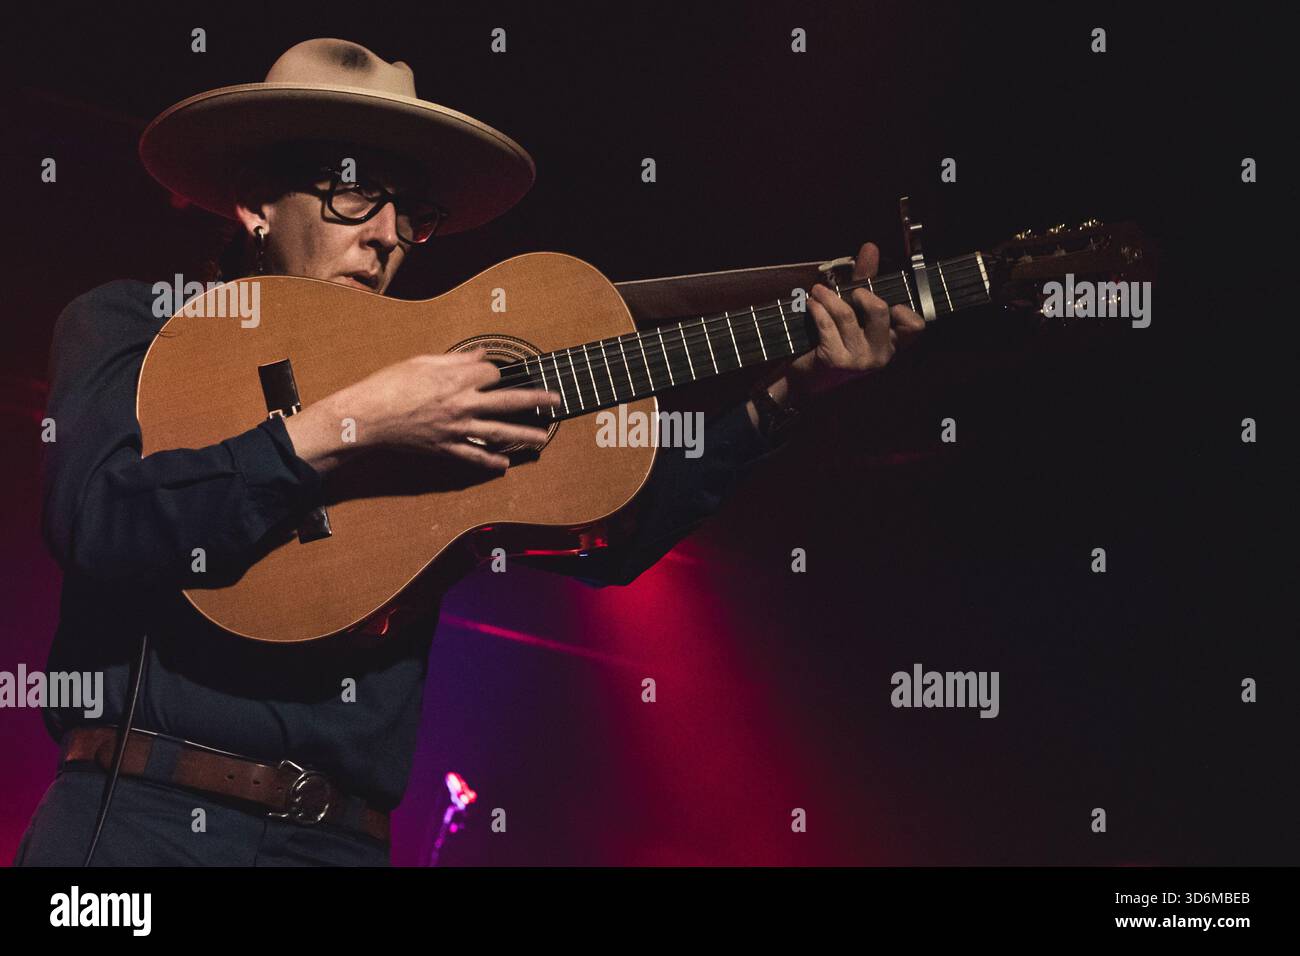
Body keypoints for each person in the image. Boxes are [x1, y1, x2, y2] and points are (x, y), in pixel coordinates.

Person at [14, 38, 924, 866]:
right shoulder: (135, 323)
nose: (385, 235)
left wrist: (784, 399)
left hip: (343, 841)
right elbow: (97, 520)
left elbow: (611, 536)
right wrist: (355, 422)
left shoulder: (441, 383)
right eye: (352, 191)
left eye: (411, 211)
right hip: (140, 822)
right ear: (256, 203)